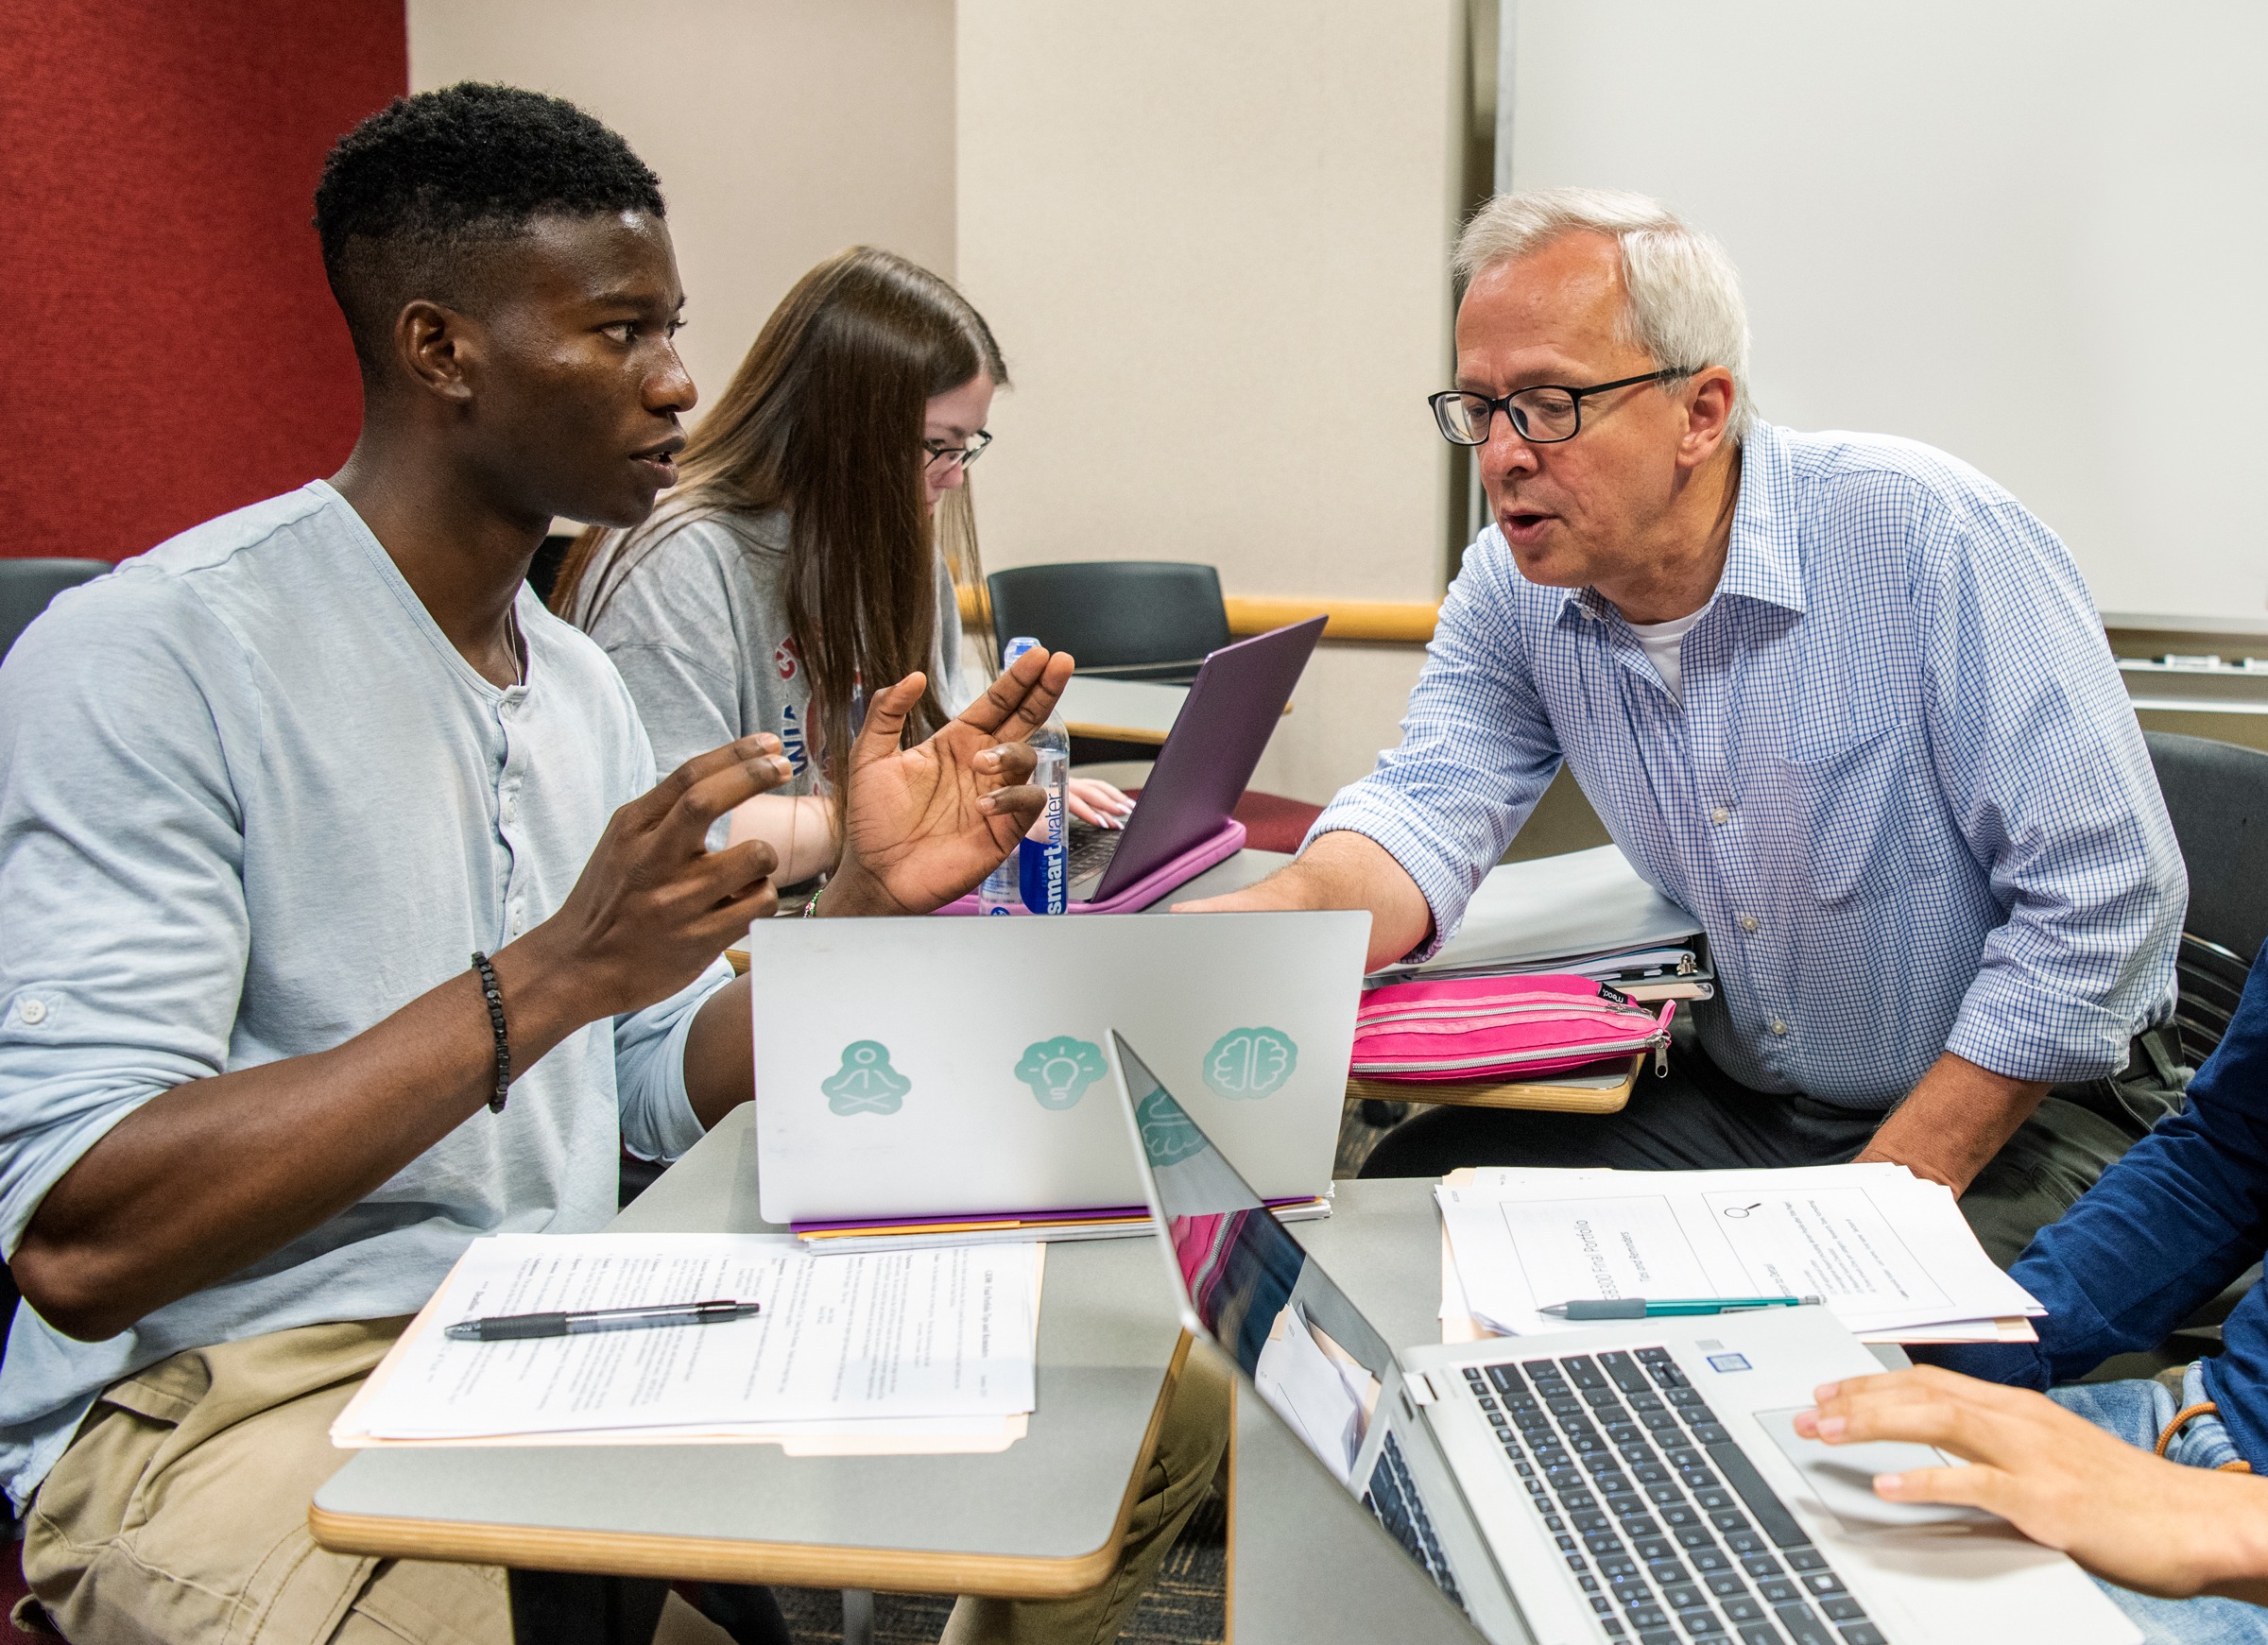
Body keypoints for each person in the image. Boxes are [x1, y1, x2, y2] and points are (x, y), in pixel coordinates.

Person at [0, 84, 1215, 1645]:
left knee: (1138, 1400)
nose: (679, 382)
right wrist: (553, 973)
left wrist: (860, 910)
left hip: (556, 1330)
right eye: (622, 333)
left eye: (674, 327)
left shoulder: (568, 682)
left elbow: (645, 1076)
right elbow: (83, 1237)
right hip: (227, 1395)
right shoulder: (153, 659)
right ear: (444, 351)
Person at [1181, 187, 2186, 1264]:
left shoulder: (1926, 538)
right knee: (1419, 1195)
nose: (1504, 454)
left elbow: (2106, 909)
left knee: (1840, 1328)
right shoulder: (1512, 585)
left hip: (2025, 1112)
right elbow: (1425, 809)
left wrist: (1877, 1210)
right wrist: (1263, 925)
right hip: (1758, 1101)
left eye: (1550, 403)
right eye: (1480, 408)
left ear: (1702, 412)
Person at [554, 245, 1133, 883]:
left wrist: (1008, 798)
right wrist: (906, 823)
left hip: (848, 914)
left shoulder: (898, 548)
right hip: (735, 955)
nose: (954, 478)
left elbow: (943, 752)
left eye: (966, 447)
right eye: (938, 446)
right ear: (842, 428)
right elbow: (681, 840)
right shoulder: (675, 565)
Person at [1796, 940, 2268, 1644]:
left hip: (2240, 1538)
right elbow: (2232, 1153)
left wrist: (2233, 1525)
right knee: (1771, 1514)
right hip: (2195, 1419)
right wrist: (2002, 1332)